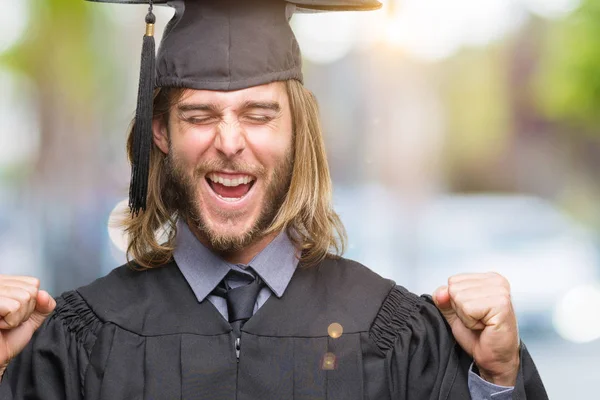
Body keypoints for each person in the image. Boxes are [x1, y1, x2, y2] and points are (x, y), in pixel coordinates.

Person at [0, 0, 548, 398]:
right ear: (160, 134)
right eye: (199, 115)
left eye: (259, 115)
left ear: (296, 132)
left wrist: (498, 380)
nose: (231, 141)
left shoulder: (396, 333)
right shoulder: (78, 343)